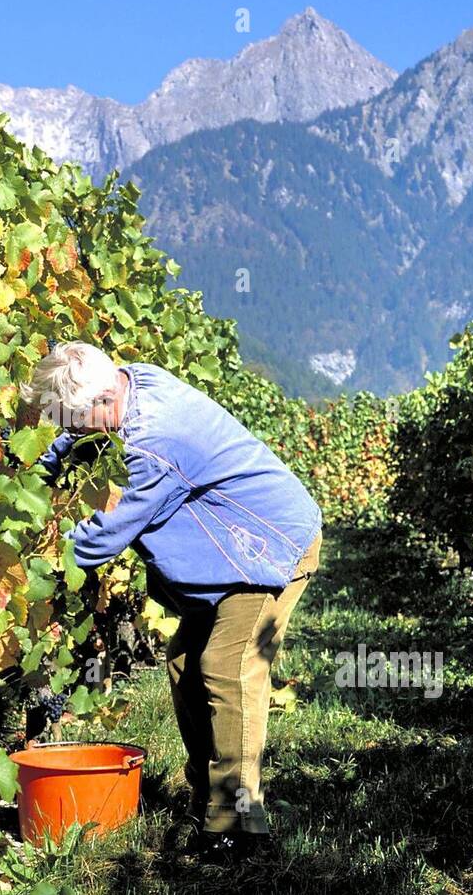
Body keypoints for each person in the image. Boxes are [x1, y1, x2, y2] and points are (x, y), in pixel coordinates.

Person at [19, 341, 323, 861]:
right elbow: (73, 443)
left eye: (69, 419)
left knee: (228, 667)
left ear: (99, 404)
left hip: (266, 548)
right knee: (185, 663)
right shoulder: (132, 380)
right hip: (229, 553)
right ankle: (208, 798)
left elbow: (103, 537)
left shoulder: (152, 443)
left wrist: (26, 563)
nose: (67, 430)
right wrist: (32, 474)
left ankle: (237, 825)